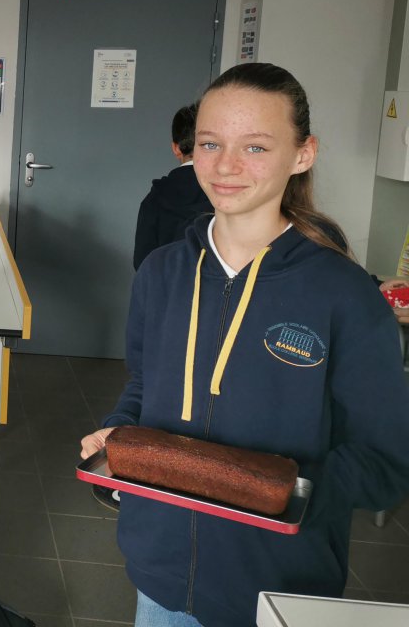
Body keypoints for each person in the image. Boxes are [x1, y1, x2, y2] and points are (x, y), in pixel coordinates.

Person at [80, 62, 409, 627]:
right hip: (159, 573)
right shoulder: (162, 272)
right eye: (210, 143)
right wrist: (120, 432)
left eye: (255, 147)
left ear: (302, 154)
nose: (225, 166)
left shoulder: (345, 294)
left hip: (276, 585)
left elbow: (386, 464)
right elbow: (145, 382)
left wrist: (274, 487)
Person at [132, 103, 213, 269]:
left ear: (176, 148)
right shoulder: (228, 192)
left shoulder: (154, 199)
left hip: (166, 282)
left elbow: (142, 262)